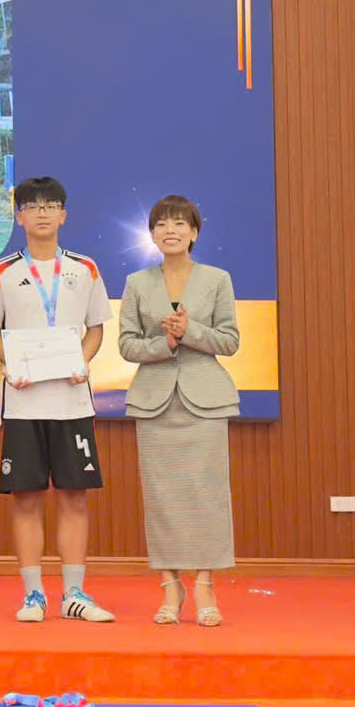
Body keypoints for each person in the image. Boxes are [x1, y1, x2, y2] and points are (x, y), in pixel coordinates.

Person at [0, 176, 115, 624]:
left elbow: (96, 328)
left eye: (50, 205)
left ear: (63, 215)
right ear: (19, 217)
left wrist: (83, 360)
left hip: (72, 401)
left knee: (75, 497)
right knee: (26, 498)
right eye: (33, 206)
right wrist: (9, 363)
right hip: (24, 403)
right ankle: (33, 594)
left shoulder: (85, 268)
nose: (42, 213)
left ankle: (74, 593)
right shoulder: (2, 271)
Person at [119, 194, 239, 628]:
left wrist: (191, 331)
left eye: (179, 223)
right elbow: (127, 345)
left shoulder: (217, 279)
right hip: (154, 402)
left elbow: (230, 340)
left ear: (194, 232)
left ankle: (205, 584)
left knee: (207, 495)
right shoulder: (137, 282)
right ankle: (170, 586)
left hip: (205, 400)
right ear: (152, 234)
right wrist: (165, 342)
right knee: (162, 497)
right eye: (161, 224)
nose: (170, 231)